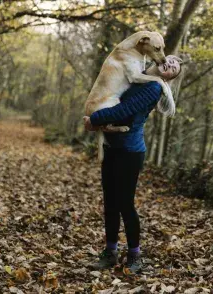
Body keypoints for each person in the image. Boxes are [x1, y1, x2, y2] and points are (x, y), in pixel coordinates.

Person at [83, 55, 182, 273]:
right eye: (171, 60)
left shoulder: (154, 89)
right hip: (111, 146)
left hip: (130, 152)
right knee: (110, 202)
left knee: (124, 204)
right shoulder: (135, 76)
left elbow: (124, 111)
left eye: (174, 68)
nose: (171, 64)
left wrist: (94, 120)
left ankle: (134, 256)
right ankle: (110, 253)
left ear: (170, 78)